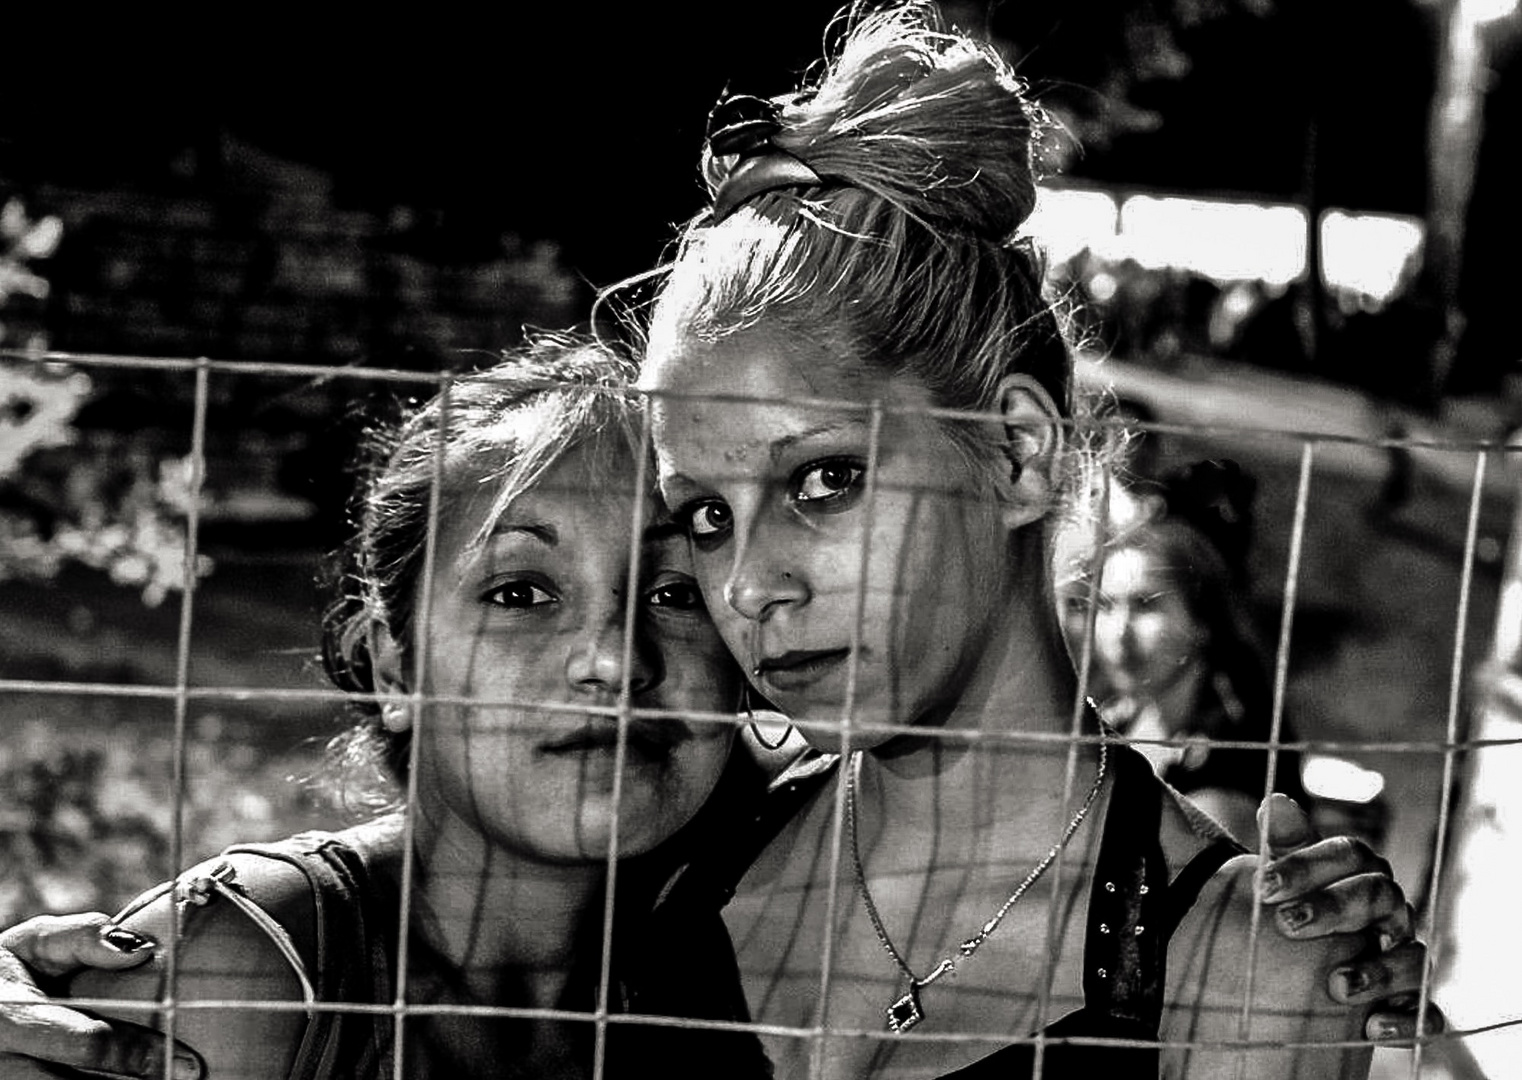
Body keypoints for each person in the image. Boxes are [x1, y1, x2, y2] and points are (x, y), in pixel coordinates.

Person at [626, 4, 1425, 1076]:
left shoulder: (1235, 975)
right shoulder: (674, 859)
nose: (752, 585)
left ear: (1014, 453)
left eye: (823, 479)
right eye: (707, 516)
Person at [0, 336, 748, 1080]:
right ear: (394, 669)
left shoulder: (757, 948)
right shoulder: (245, 966)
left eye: (676, 594)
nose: (616, 659)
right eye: (519, 593)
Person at [1054, 459, 1312, 846]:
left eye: (1145, 604)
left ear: (1201, 620)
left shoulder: (1226, 762)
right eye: (1105, 606)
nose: (1118, 634)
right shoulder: (1127, 712)